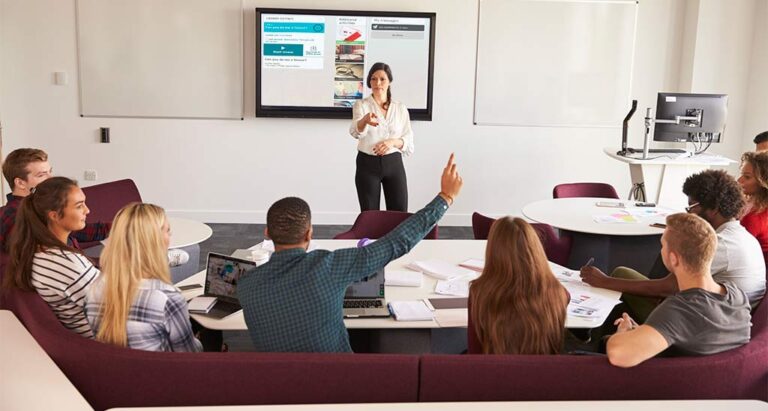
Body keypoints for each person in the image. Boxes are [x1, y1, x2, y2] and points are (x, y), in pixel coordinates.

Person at [238, 153, 463, 352]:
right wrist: (445, 198)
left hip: (278, 386)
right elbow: (396, 243)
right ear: (309, 234)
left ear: (267, 233)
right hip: (340, 382)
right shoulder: (329, 267)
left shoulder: (246, 285)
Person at [581, 169, 766, 320]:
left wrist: (603, 281)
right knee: (622, 274)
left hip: (706, 321)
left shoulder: (722, 244)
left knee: (614, 286)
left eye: (693, 207)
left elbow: (669, 287)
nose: (689, 213)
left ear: (714, 209)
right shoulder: (738, 235)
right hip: (710, 308)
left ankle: (598, 341)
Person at [605, 213, 751, 368]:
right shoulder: (738, 296)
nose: (661, 250)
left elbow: (618, 355)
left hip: (663, 381)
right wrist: (643, 331)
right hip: (714, 381)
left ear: (673, 258)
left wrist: (623, 332)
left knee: (604, 341)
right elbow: (695, 335)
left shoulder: (679, 309)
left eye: (663, 245)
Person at [85, 203, 202, 352]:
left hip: (114, 371)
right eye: (168, 231)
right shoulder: (168, 298)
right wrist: (199, 342)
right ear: (154, 239)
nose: (170, 235)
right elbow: (187, 355)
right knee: (211, 332)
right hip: (162, 371)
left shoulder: (94, 289)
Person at [3, 177, 100, 337]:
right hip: (109, 339)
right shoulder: (64, 261)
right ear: (54, 216)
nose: (87, 210)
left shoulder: (34, 249)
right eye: (79, 206)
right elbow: (115, 307)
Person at [468, 217, 569, 354]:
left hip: (495, 372)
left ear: (493, 251)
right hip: (544, 372)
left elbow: (475, 353)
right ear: (536, 249)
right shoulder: (559, 292)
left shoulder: (479, 292)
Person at [1, 148, 109, 252]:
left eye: (50, 172)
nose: (51, 178)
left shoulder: (41, 204)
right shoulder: (16, 216)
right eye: (41, 175)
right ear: (20, 183)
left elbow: (79, 232)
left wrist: (120, 226)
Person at [349, 62, 414, 212]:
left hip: (394, 164)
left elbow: (409, 140)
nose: (378, 83)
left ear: (389, 81)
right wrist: (365, 120)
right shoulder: (361, 105)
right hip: (367, 164)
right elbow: (356, 132)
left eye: (382, 79)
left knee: (399, 213)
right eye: (373, 79)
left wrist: (392, 142)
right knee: (370, 215)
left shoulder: (400, 108)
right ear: (369, 82)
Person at [738, 151, 768, 263]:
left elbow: (738, 249)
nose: (739, 180)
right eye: (741, 174)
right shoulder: (752, 203)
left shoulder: (755, 217)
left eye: (747, 177)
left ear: (763, 182)